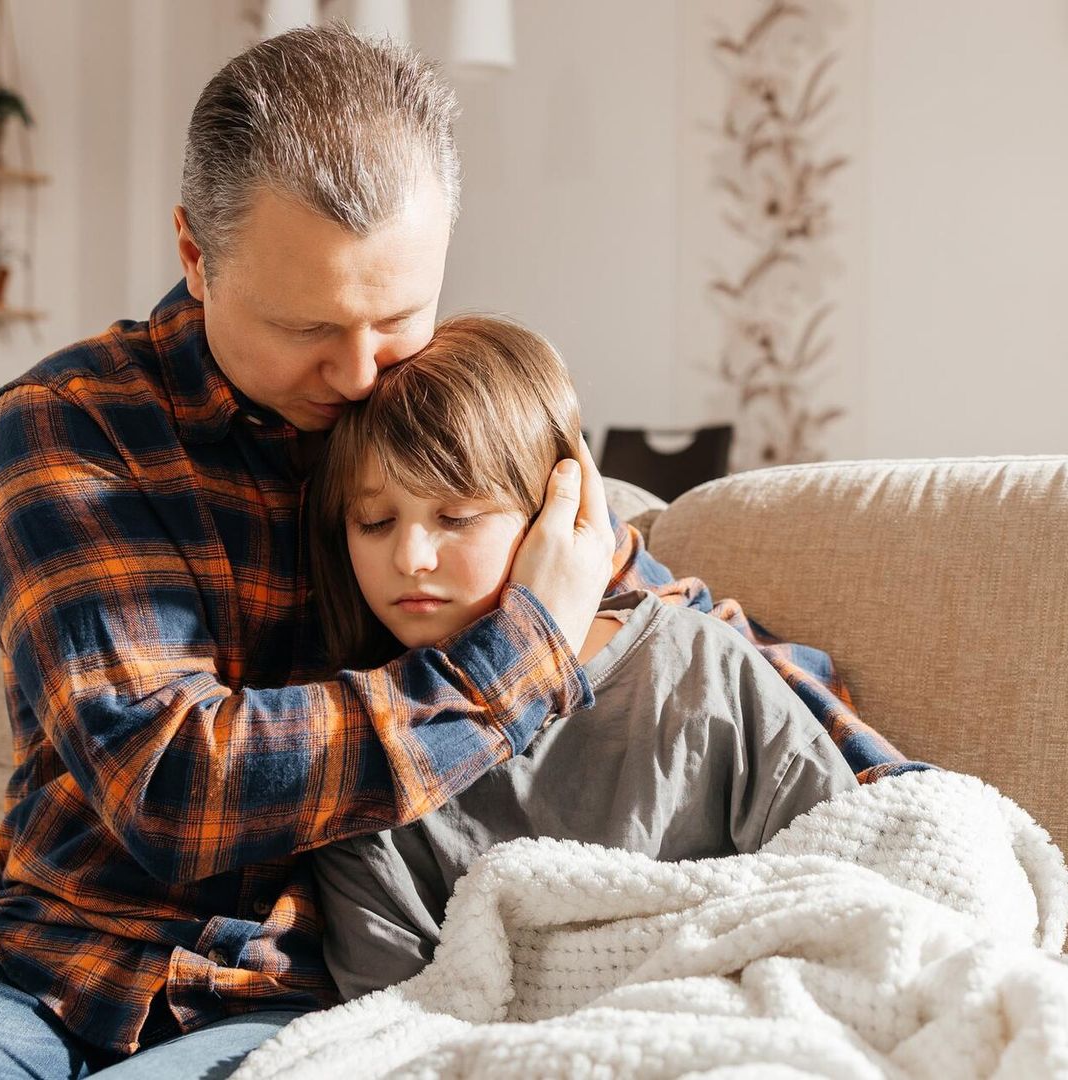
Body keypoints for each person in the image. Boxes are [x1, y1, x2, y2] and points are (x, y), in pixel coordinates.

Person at [0, 22, 910, 1080]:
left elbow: (659, 622)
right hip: (52, 970)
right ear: (197, 256)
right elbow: (170, 789)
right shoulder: (70, 432)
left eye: (397, 315)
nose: (357, 372)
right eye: (306, 328)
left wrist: (903, 801)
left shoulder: (429, 419)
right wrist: (515, 658)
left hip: (292, 1000)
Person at [305, 314, 859, 1000]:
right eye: (375, 521)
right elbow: (392, 1014)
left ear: (560, 513)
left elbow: (854, 892)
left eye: (456, 517)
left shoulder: (700, 671)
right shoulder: (365, 754)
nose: (411, 558)